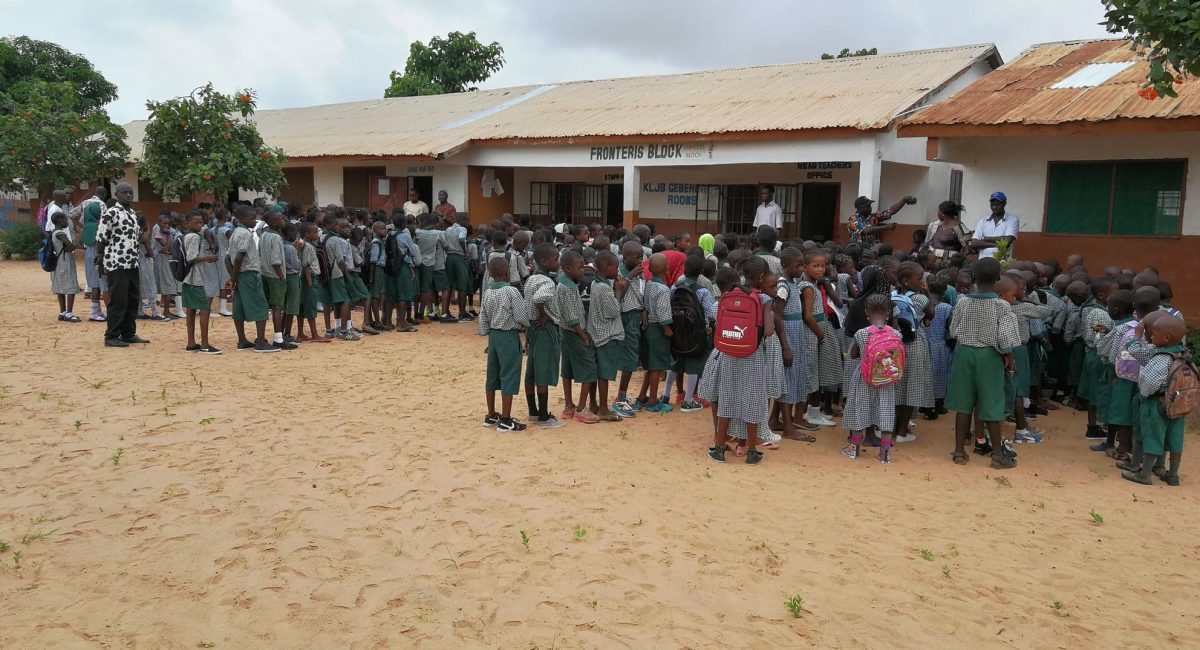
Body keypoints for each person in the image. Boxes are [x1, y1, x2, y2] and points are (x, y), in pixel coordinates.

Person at [945, 258, 1021, 469]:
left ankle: (959, 452)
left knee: (963, 405)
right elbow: (1006, 339)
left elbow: (953, 330)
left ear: (974, 278)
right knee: (992, 403)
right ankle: (997, 455)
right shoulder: (1002, 306)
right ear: (998, 278)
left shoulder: (963, 302)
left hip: (964, 354)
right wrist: (1008, 356)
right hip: (989, 356)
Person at [703, 255, 775, 466]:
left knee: (727, 399)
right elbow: (769, 331)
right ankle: (751, 450)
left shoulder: (730, 293)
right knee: (752, 402)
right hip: (752, 356)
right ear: (762, 277)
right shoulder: (763, 299)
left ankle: (718, 449)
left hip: (729, 355)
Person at [1122, 315, 1189, 486]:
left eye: (1153, 334)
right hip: (1177, 405)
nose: (1150, 337)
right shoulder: (1184, 355)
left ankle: (1144, 475)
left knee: (1151, 436)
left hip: (1156, 404)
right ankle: (1172, 475)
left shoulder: (1161, 357)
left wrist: (1143, 396)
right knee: (1175, 439)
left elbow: (1151, 382)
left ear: (1166, 338)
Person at [842, 294, 901, 463]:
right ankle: (885, 453)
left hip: (864, 379)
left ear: (867, 313)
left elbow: (854, 355)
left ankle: (854, 449)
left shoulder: (862, 333)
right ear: (888, 313)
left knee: (859, 410)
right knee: (886, 412)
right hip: (887, 380)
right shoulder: (896, 333)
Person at [479, 255, 530, 432]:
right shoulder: (511, 292)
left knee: (492, 375)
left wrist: (485, 332)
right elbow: (522, 316)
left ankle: (491, 414)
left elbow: (483, 317)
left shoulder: (487, 292)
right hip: (508, 336)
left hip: (493, 337)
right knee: (509, 374)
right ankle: (506, 420)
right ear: (507, 273)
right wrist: (526, 325)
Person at [95, 182, 148, 348]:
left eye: (130, 192)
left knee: (132, 299)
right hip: (116, 262)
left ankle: (128, 333)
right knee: (118, 300)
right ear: (116, 195)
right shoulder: (111, 213)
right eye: (124, 193)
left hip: (132, 262)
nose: (128, 195)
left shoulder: (132, 213)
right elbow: (101, 237)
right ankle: (111, 336)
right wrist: (100, 258)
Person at [523, 244, 566, 428]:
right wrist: (544, 314)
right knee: (543, 370)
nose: (558, 262)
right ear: (543, 261)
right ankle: (543, 416)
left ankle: (533, 411)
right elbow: (539, 298)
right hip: (544, 328)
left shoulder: (532, 278)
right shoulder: (547, 282)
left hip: (532, 328)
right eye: (555, 259)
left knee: (532, 370)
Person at [891, 261, 934, 444]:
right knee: (911, 386)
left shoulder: (891, 296)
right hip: (915, 346)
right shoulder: (920, 299)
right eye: (919, 279)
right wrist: (927, 293)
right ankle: (902, 431)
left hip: (894, 345)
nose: (922, 282)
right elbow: (931, 313)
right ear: (907, 281)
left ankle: (891, 427)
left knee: (895, 385)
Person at [557, 250, 599, 424]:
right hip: (574, 332)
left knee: (567, 369)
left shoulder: (567, 284)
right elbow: (572, 318)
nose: (583, 270)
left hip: (565, 332)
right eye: (579, 267)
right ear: (567, 268)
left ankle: (569, 406)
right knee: (589, 368)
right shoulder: (566, 288)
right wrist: (584, 336)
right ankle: (581, 409)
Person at [227, 206, 278, 353]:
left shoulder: (235, 233)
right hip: (249, 273)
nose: (255, 221)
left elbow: (226, 258)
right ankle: (261, 342)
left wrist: (233, 277)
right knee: (260, 306)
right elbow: (239, 257)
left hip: (239, 275)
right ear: (242, 219)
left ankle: (242, 340)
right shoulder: (245, 234)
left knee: (239, 308)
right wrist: (234, 277)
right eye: (251, 218)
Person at [587, 251, 626, 422]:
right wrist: (618, 292)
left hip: (596, 332)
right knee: (604, 373)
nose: (618, 270)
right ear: (606, 267)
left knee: (598, 372)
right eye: (616, 266)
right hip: (606, 335)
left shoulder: (597, 283)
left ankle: (594, 404)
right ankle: (603, 409)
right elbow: (613, 311)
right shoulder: (604, 288)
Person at [635, 253, 675, 413]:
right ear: (667, 269)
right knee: (657, 367)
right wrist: (669, 331)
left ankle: (642, 396)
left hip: (648, 328)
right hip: (659, 330)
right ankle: (653, 401)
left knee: (650, 366)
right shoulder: (663, 289)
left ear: (649, 269)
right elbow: (663, 314)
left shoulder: (649, 284)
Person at [180, 210, 220, 354]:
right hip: (195, 279)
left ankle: (191, 342)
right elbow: (191, 258)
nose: (199, 225)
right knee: (204, 309)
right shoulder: (194, 238)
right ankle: (205, 343)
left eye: (201, 223)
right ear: (187, 223)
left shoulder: (188, 236)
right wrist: (207, 258)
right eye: (196, 222)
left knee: (191, 310)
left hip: (187, 278)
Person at [614, 240, 645, 416]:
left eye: (642, 256)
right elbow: (619, 294)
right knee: (629, 357)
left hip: (636, 315)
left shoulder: (640, 273)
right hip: (625, 316)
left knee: (632, 356)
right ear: (625, 258)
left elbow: (641, 294)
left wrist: (644, 311)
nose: (641, 260)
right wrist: (631, 275)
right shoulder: (619, 273)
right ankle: (621, 397)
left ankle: (622, 396)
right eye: (637, 257)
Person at [258, 211, 293, 350]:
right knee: (277, 307)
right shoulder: (277, 238)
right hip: (275, 275)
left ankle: (260, 336)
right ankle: (278, 338)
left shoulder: (263, 235)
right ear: (273, 222)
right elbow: (276, 261)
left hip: (264, 273)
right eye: (280, 219)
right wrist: (282, 278)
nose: (283, 220)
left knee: (266, 307)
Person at [295, 223, 330, 343]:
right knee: (310, 306)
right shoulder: (308, 247)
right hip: (308, 279)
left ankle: (300, 333)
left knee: (301, 306)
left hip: (302, 279)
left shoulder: (301, 244)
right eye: (314, 232)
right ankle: (314, 334)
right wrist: (310, 283)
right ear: (306, 234)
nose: (317, 234)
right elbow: (306, 266)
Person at [80, 187, 109, 322]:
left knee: (93, 284)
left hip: (88, 255)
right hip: (98, 256)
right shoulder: (99, 227)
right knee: (100, 285)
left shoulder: (87, 226)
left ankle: (96, 311)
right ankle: (94, 313)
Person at [846, 194, 916, 247]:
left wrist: (904, 200)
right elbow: (866, 230)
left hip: (871, 251)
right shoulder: (853, 219)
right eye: (868, 206)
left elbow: (891, 211)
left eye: (870, 206)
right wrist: (886, 227)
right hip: (857, 251)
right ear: (860, 207)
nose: (870, 208)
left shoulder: (872, 217)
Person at [48, 211, 82, 322]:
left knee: (60, 288)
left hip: (57, 263)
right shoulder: (60, 234)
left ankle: (62, 311)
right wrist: (73, 246)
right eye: (65, 220)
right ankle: (69, 313)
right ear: (59, 220)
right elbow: (71, 246)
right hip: (65, 262)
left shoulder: (53, 233)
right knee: (70, 287)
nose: (67, 222)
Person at [968, 192, 1019, 259]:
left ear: (1004, 203)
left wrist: (986, 239)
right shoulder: (983, 221)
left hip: (1003, 262)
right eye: (992, 204)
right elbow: (974, 243)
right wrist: (999, 245)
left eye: (998, 204)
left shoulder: (1012, 219)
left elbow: (1007, 241)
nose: (994, 207)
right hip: (983, 261)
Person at [441, 213, 472, 322]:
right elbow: (461, 239)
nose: (468, 223)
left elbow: (444, 243)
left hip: (449, 258)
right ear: (463, 220)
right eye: (467, 221)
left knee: (448, 286)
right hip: (459, 258)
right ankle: (462, 313)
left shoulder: (448, 229)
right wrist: (465, 251)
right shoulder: (462, 229)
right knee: (462, 286)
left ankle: (445, 313)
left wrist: (448, 250)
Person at [281, 222, 303, 345]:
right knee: (291, 307)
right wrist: (297, 251)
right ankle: (287, 333)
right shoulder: (290, 248)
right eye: (293, 232)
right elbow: (296, 264)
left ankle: (282, 331)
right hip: (293, 276)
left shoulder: (282, 245)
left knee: (286, 306)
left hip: (285, 276)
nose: (295, 234)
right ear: (286, 233)